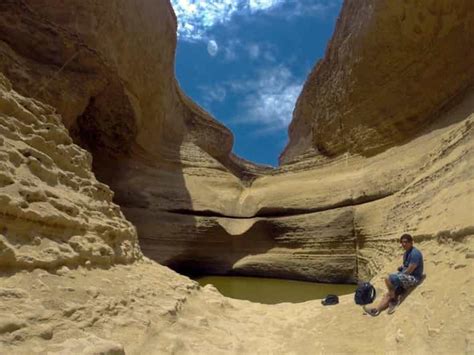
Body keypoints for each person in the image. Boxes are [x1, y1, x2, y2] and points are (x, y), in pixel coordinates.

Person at [364, 233, 423, 316]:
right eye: (402, 242)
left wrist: (398, 277)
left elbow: (410, 270)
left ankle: (394, 299)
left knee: (388, 279)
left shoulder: (415, 253)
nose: (404, 244)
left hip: (414, 278)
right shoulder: (406, 253)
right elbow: (406, 266)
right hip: (407, 276)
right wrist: (401, 268)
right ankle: (377, 310)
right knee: (389, 293)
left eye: (406, 242)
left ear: (411, 242)